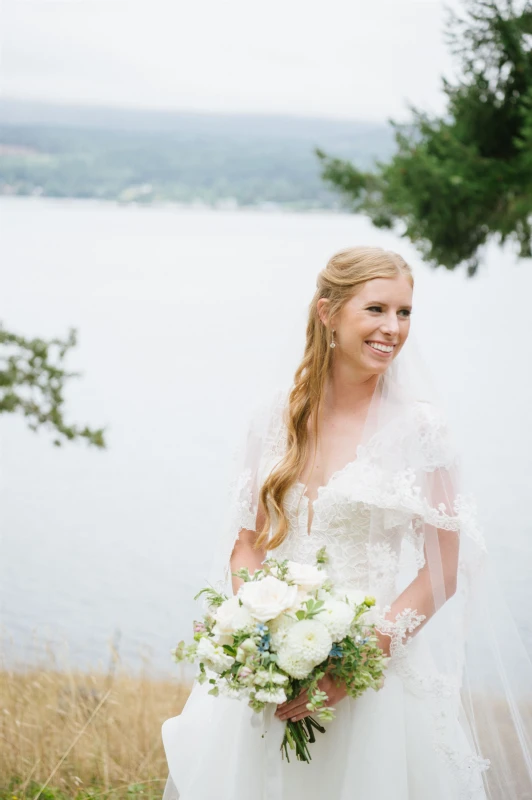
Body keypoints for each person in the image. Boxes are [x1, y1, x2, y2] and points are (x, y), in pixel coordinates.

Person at [161, 246, 532, 799]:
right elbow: (246, 543)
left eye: (404, 312)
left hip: (374, 677)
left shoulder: (422, 430)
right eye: (376, 310)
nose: (393, 328)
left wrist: (351, 666)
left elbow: (444, 569)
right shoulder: (271, 417)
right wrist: (258, 635)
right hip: (269, 680)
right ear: (328, 313)